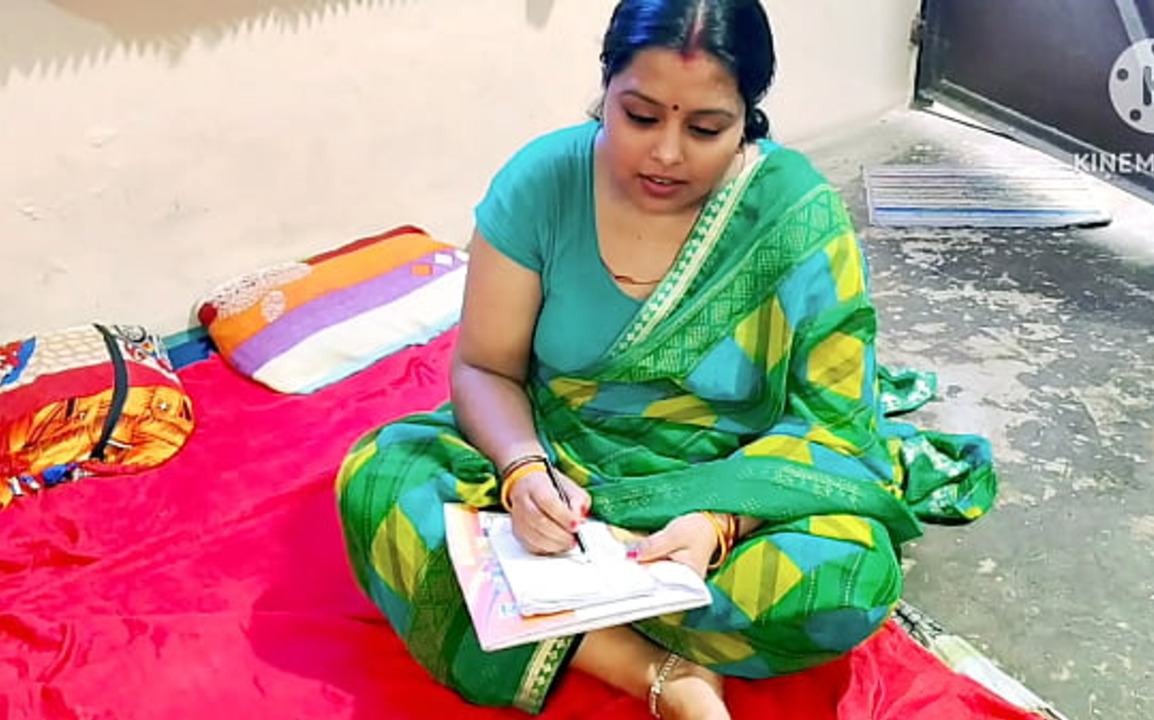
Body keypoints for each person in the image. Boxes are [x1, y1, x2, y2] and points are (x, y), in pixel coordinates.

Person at [336, 1, 997, 718]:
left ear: (748, 117)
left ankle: (534, 608)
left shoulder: (795, 213)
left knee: (845, 581)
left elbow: (835, 423)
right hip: (563, 463)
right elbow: (485, 367)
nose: (667, 154)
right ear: (606, 88)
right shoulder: (542, 185)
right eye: (641, 117)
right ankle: (660, 675)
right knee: (379, 480)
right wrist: (523, 472)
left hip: (728, 478)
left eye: (706, 128)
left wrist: (719, 524)